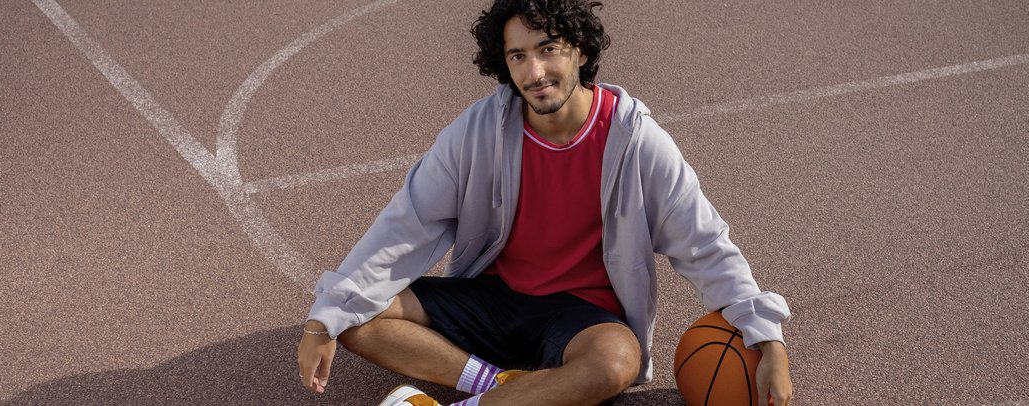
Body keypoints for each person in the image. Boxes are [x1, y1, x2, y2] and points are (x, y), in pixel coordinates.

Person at [296, 1, 793, 405]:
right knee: (355, 313)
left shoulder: (635, 140)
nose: (534, 72)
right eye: (517, 56)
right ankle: (501, 388)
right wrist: (325, 319)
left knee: (615, 363)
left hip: (581, 317)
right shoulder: (477, 133)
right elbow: (408, 223)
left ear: (579, 50)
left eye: (548, 49)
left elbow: (704, 243)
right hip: (494, 297)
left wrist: (765, 335)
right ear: (503, 63)